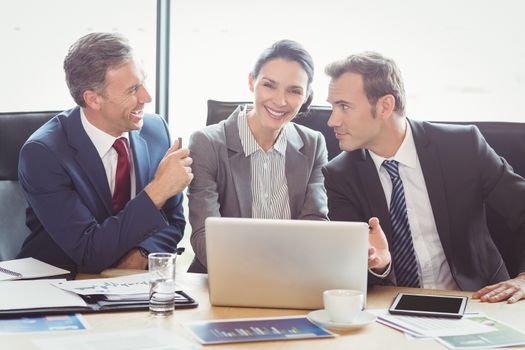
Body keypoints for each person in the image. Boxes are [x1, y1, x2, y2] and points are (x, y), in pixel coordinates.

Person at [322, 51, 525, 303]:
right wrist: (378, 264)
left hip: (479, 300)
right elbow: (353, 270)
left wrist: (523, 278)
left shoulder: (462, 146)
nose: (332, 120)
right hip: (391, 308)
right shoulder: (339, 175)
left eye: (344, 106)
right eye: (332, 106)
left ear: (385, 106)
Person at [17, 32, 193, 274]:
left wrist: (142, 253)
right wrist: (158, 190)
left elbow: (173, 220)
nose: (147, 97)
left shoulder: (155, 131)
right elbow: (89, 252)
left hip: (131, 285)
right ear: (93, 99)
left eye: (143, 83)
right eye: (133, 90)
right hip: (60, 284)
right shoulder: (43, 154)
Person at [187, 40, 329, 273]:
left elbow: (316, 225)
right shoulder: (206, 143)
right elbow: (204, 235)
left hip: (293, 278)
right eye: (269, 85)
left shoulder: (313, 144)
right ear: (252, 81)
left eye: (294, 91)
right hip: (225, 280)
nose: (280, 101)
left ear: (306, 96)